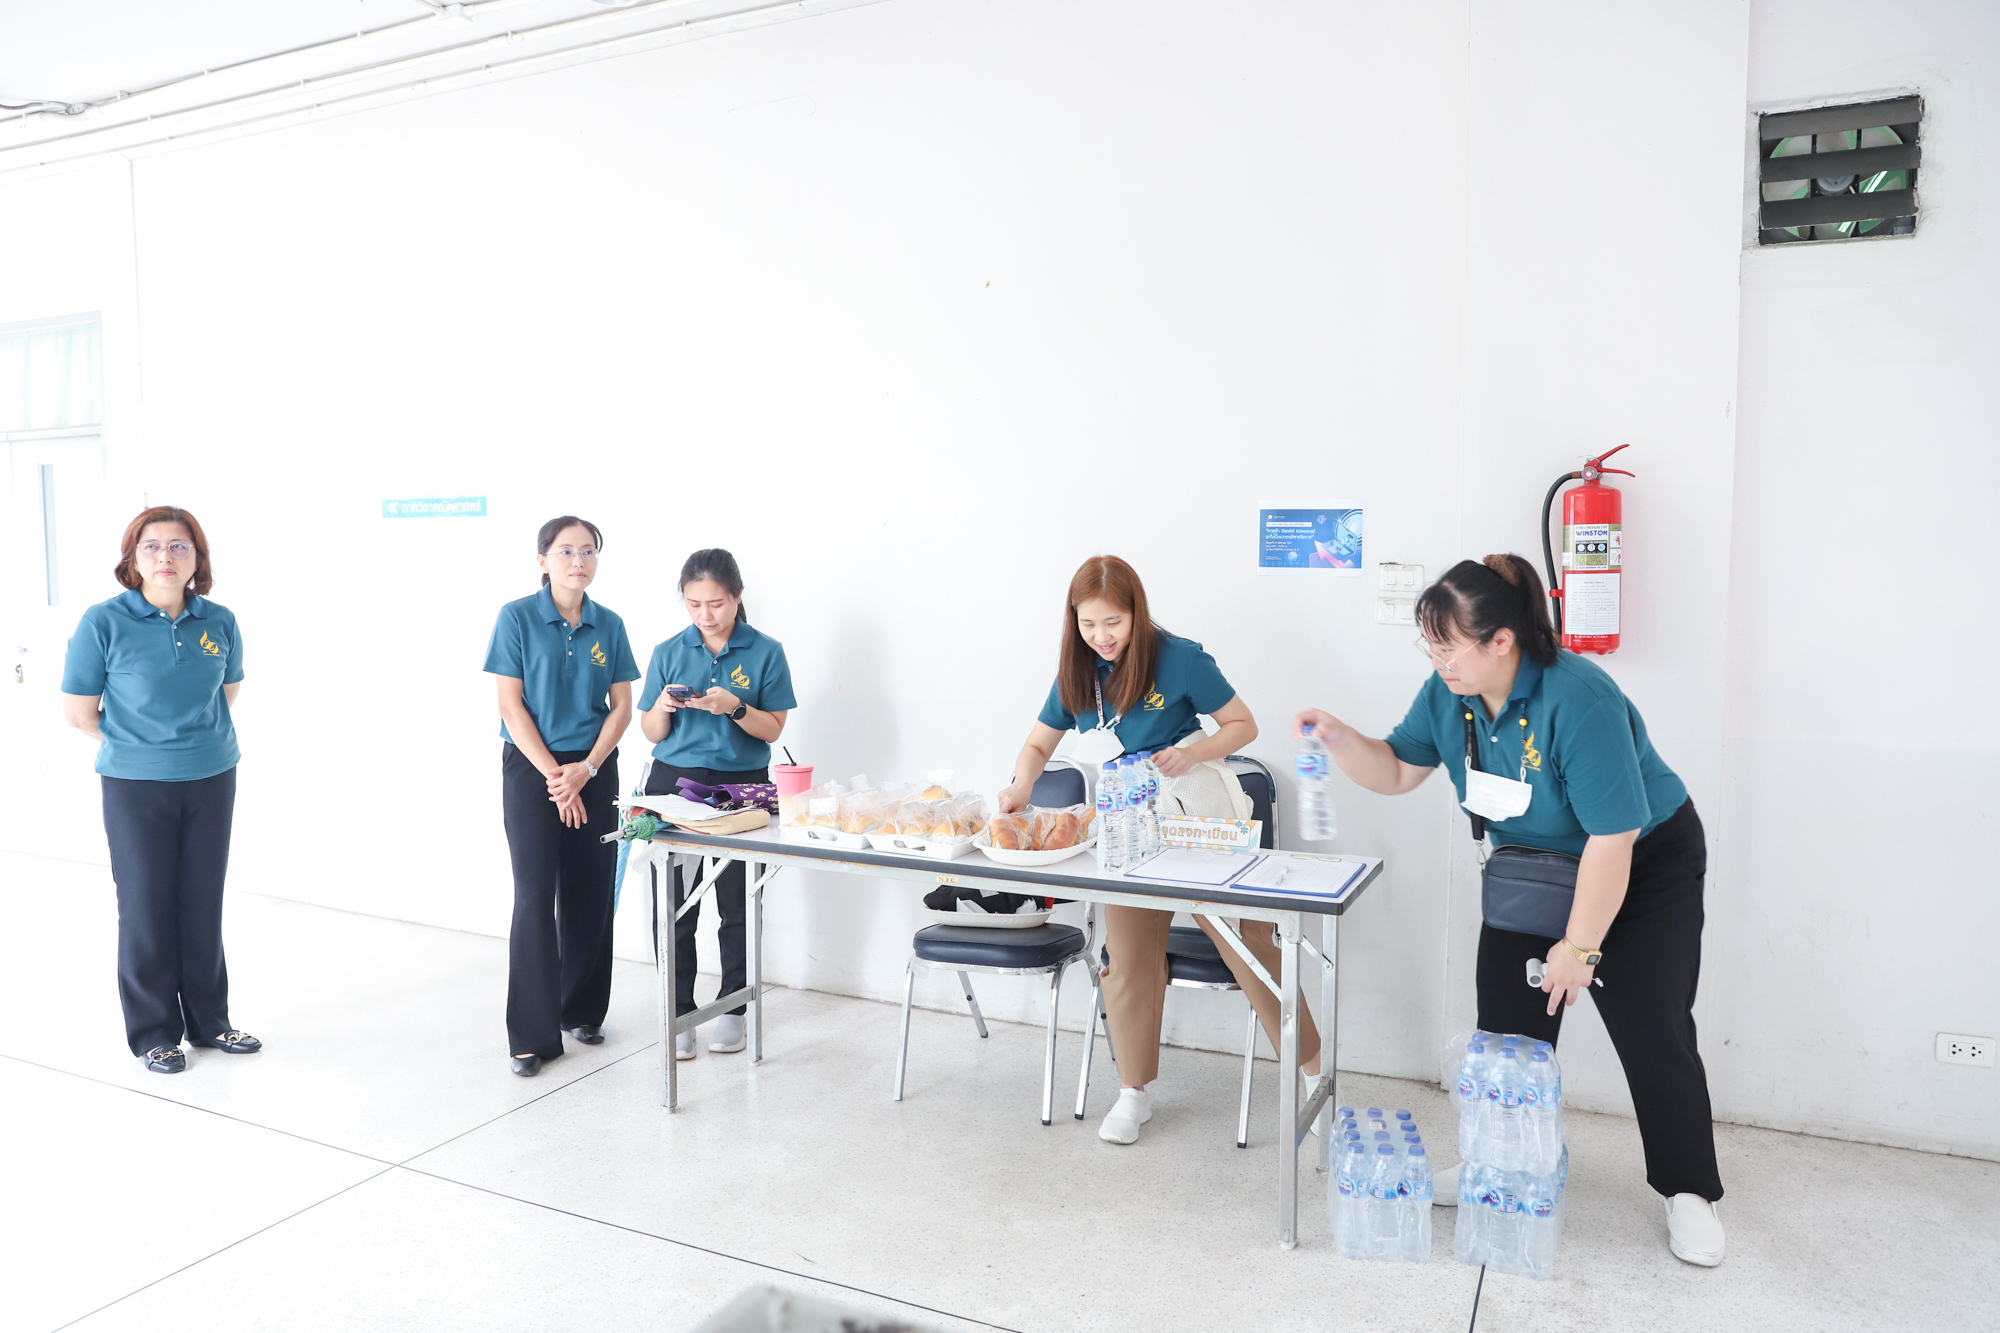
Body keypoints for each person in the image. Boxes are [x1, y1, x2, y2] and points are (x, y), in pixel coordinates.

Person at [1292, 554, 1727, 1267]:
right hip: (1532, 870)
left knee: (1653, 1026)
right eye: (1429, 645)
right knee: (1504, 1033)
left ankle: (1688, 1189)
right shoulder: (1449, 693)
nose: (1437, 660)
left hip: (1641, 862)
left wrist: (1580, 949)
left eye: (1448, 645)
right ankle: (1495, 1166)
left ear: (1502, 640)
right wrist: (1339, 738)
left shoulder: (1578, 699)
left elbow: (1613, 837)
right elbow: (1397, 768)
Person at [996, 554, 1321, 1145]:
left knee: (1249, 947)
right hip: (1128, 820)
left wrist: (1192, 753)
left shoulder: (1182, 658)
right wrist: (1021, 785)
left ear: (1136, 612)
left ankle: (1314, 1076)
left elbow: (1242, 725)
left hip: (1197, 809)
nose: (1101, 636)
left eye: (1113, 622)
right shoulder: (1078, 669)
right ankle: (1133, 1092)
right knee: (1127, 955)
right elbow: (1039, 744)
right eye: (1088, 624)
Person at [60, 506, 261, 1074]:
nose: (165, 557)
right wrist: (144, 743)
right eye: (151, 546)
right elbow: (79, 714)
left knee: (202, 902)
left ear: (197, 559)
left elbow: (227, 691)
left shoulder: (218, 620)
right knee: (146, 907)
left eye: (179, 546)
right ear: (133, 558)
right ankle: (154, 1034)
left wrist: (188, 738)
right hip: (135, 785)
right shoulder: (103, 622)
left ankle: (211, 1023)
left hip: (213, 776)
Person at [483, 516, 639, 1077]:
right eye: (566, 551)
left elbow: (621, 708)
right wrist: (557, 777)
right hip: (533, 769)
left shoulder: (610, 624)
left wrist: (587, 769)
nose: (579, 561)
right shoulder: (517, 617)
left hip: (594, 767)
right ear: (543, 560)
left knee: (592, 889)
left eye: (588, 551)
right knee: (534, 895)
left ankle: (582, 1011)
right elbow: (510, 706)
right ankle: (531, 1036)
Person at [636, 549, 794, 1060]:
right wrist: (663, 705)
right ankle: (678, 1011)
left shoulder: (766, 651)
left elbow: (772, 729)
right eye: (694, 604)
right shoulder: (668, 650)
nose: (705, 615)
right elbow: (651, 732)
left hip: (739, 791)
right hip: (672, 786)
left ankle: (734, 1010)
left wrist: (735, 707)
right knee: (673, 906)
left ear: (738, 596)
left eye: (717, 603)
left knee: (738, 904)